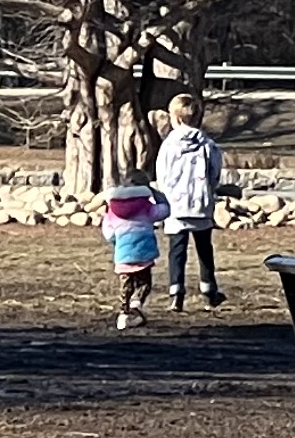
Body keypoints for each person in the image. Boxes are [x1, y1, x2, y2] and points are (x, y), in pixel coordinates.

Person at [154, 94, 229, 311]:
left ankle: (176, 292)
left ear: (174, 118)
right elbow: (214, 173)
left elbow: (162, 175)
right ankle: (209, 289)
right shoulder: (208, 145)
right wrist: (209, 191)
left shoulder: (168, 145)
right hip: (200, 204)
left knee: (177, 250)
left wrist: (166, 196)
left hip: (176, 206)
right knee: (204, 248)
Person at [98, 177, 167, 330]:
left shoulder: (113, 209)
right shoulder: (146, 207)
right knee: (144, 283)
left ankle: (123, 314)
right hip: (144, 252)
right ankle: (136, 305)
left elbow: (109, 233)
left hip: (123, 254)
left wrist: (118, 241)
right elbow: (164, 210)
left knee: (125, 286)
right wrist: (155, 193)